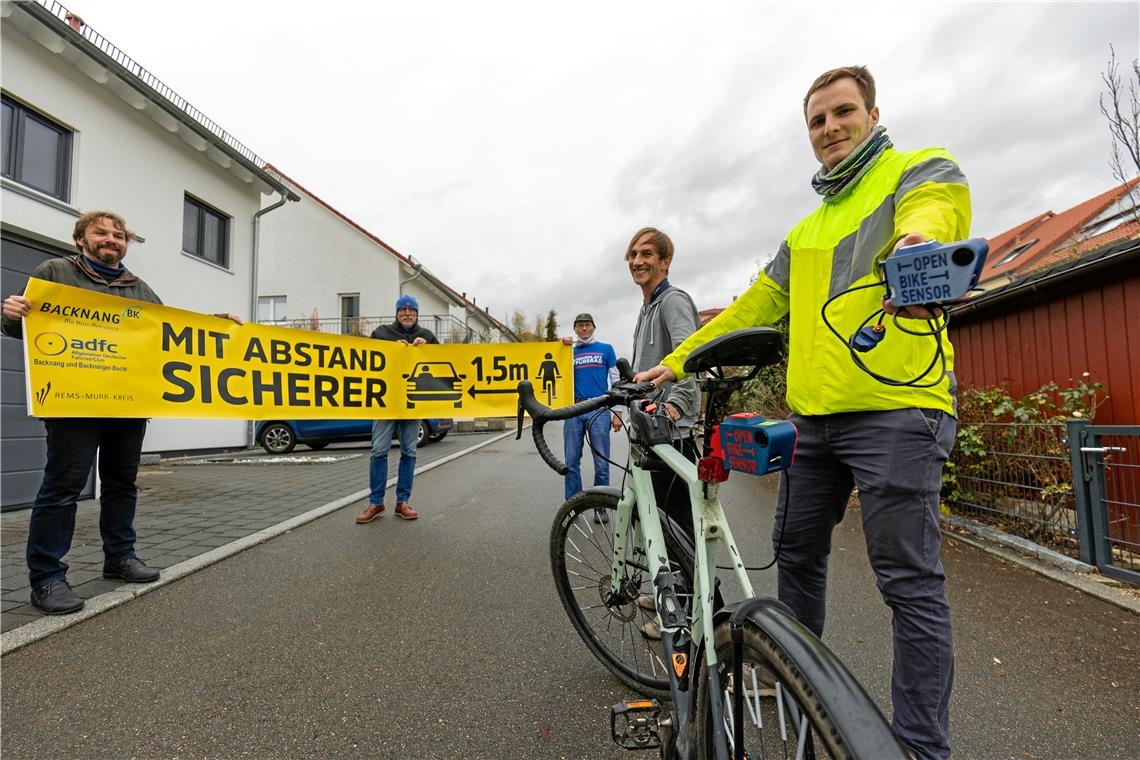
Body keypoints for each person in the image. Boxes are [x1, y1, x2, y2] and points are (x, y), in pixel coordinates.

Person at [635, 66, 969, 760]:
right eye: (817, 122)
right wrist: (680, 359)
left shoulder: (917, 171)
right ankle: (796, 682)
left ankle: (917, 747)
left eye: (843, 113)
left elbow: (935, 212)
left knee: (908, 583)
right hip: (816, 422)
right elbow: (756, 306)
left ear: (873, 114)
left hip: (897, 411)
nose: (830, 129)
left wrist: (918, 246)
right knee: (797, 559)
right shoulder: (806, 229)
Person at [1, 210, 241, 616]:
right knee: (63, 487)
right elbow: (23, 326)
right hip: (73, 402)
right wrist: (9, 315)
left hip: (128, 404)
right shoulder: (55, 272)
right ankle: (46, 578)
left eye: (118, 235)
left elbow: (167, 330)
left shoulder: (139, 288)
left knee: (122, 483)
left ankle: (119, 558)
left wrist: (216, 325)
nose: (111, 239)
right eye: (101, 232)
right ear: (81, 239)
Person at [624, 227, 702, 539]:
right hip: (648, 430)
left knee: (678, 530)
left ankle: (692, 589)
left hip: (670, 434)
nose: (637, 261)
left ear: (665, 261)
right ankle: (662, 589)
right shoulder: (646, 309)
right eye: (632, 254)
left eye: (646, 254)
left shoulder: (673, 301)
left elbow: (689, 356)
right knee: (650, 522)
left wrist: (675, 406)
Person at [356, 294, 438, 524]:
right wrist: (388, 350)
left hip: (412, 402)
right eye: (403, 310)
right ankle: (376, 502)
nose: (407, 313)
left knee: (409, 452)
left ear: (417, 314)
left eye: (412, 310)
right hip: (385, 402)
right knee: (379, 451)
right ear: (396, 312)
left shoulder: (428, 336)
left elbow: (441, 364)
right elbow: (367, 359)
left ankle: (403, 502)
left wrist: (427, 349)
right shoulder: (381, 333)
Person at [559, 313, 619, 521]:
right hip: (574, 409)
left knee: (601, 460)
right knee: (571, 460)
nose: (584, 329)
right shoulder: (568, 352)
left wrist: (618, 412)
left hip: (600, 407)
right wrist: (561, 346)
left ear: (594, 327)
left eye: (587, 325)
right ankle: (572, 504)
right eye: (579, 326)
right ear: (575, 329)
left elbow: (616, 379)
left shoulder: (606, 349)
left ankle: (600, 506)